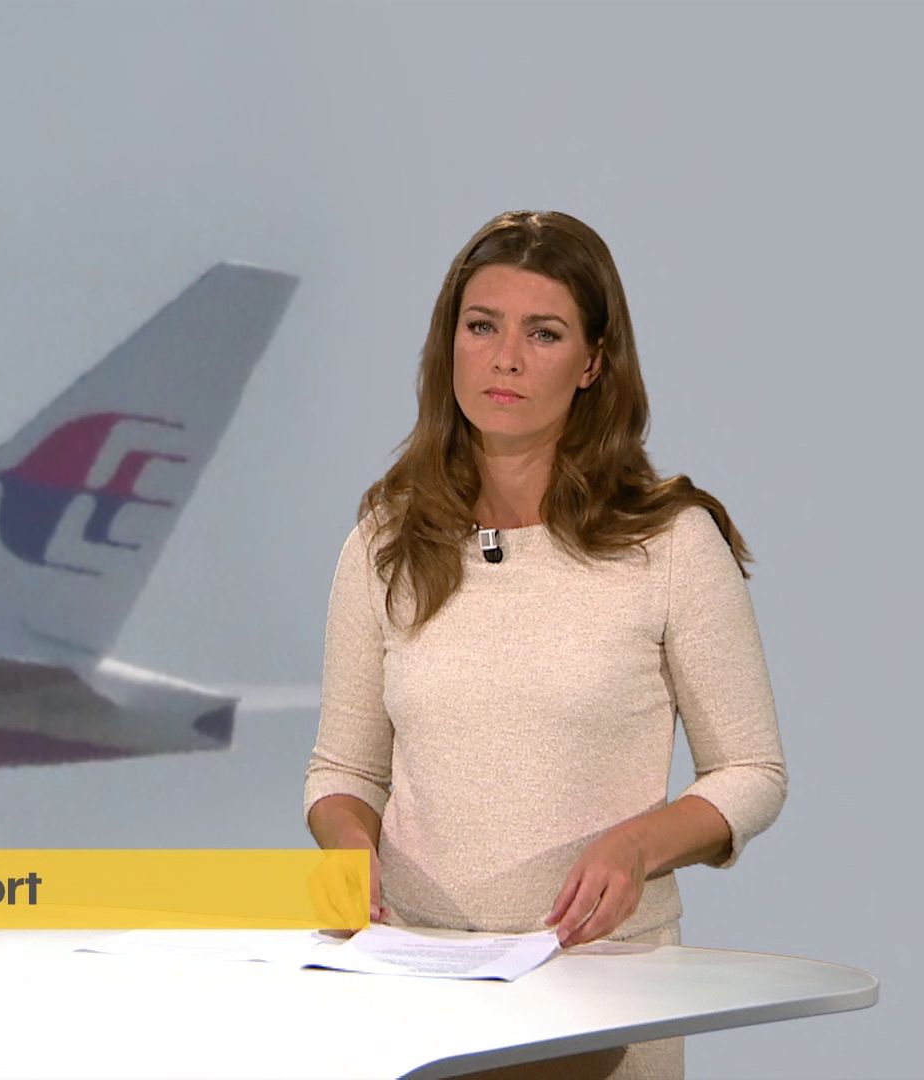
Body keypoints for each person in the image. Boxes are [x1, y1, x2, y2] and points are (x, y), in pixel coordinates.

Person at [303, 210, 785, 1079]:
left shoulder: (671, 543)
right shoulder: (386, 541)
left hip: (600, 987)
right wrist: (346, 847)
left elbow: (751, 772)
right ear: (449, 344)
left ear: (594, 362)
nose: (506, 359)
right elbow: (344, 770)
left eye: (544, 333)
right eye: (482, 327)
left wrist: (637, 847)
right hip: (416, 991)